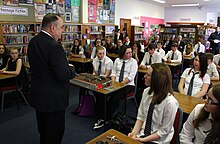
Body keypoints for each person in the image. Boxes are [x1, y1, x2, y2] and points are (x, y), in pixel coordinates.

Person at [27, 13, 75, 144]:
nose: (63, 31)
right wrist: (71, 68)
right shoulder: (54, 46)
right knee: (54, 134)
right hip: (53, 100)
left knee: (43, 131)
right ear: (53, 28)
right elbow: (64, 75)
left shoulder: (33, 42)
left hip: (39, 95)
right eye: (62, 27)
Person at [128, 63, 179, 143]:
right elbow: (141, 117)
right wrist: (133, 134)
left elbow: (163, 131)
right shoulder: (146, 92)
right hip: (142, 134)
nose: (144, 76)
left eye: (148, 75)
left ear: (157, 80)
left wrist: (142, 140)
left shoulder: (170, 102)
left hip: (158, 141)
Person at [92, 46, 113, 129]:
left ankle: (101, 114)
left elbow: (107, 75)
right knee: (92, 89)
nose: (101, 55)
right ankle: (98, 110)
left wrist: (97, 79)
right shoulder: (94, 60)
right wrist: (93, 77)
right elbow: (94, 72)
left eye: (103, 53)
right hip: (98, 79)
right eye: (100, 53)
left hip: (106, 81)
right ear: (96, 53)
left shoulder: (109, 61)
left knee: (100, 93)